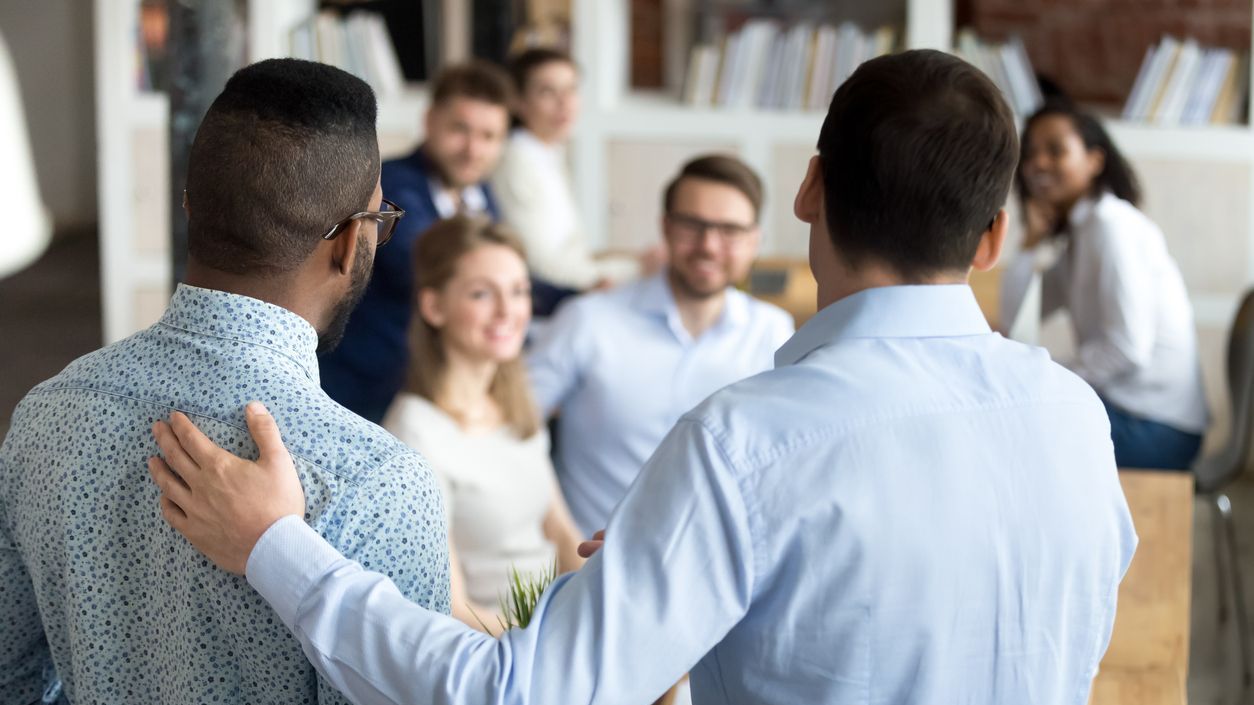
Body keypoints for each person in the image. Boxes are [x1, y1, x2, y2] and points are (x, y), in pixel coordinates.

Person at [149, 50, 1138, 704]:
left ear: (807, 188)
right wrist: (694, 600)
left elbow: (511, 694)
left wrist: (277, 546)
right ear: (993, 237)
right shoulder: (1076, 417)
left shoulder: (748, 443)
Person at [0, 59, 449, 704]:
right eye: (382, 219)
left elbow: (13, 681)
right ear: (351, 242)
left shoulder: (46, 414)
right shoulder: (376, 483)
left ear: (191, 207)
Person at [528, 154, 794, 535]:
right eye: (692, 225)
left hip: (724, 560)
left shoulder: (774, 332)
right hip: (595, 558)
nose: (709, 245)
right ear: (666, 227)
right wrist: (558, 533)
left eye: (730, 231)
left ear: (755, 241)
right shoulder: (588, 321)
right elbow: (508, 427)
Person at [380, 215, 582, 634]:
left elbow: (562, 533)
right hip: (498, 652)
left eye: (519, 291)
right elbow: (452, 609)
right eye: (481, 294)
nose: (508, 311)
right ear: (434, 307)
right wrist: (552, 644)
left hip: (556, 627)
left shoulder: (516, 405)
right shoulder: (416, 433)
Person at [1000, 101, 1209, 470]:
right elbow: (1015, 319)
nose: (1038, 164)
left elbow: (1127, 348)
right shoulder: (1081, 235)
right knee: (1012, 421)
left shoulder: (1112, 228)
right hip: (1128, 411)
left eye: (1055, 150)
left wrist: (1047, 375)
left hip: (1158, 427)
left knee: (1015, 431)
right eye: (1030, 153)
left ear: (1095, 160)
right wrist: (1030, 241)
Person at [319, 61, 514, 423]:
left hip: (432, 386)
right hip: (367, 391)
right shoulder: (389, 186)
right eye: (460, 129)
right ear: (429, 121)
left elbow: (496, 269)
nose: (473, 149)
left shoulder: (480, 193)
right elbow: (435, 269)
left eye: (489, 137)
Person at [491, 48, 661, 306]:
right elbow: (544, 267)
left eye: (571, 89)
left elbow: (572, 252)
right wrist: (636, 269)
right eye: (548, 92)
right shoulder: (517, 161)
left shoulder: (547, 151)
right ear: (518, 101)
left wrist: (636, 259)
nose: (565, 103)